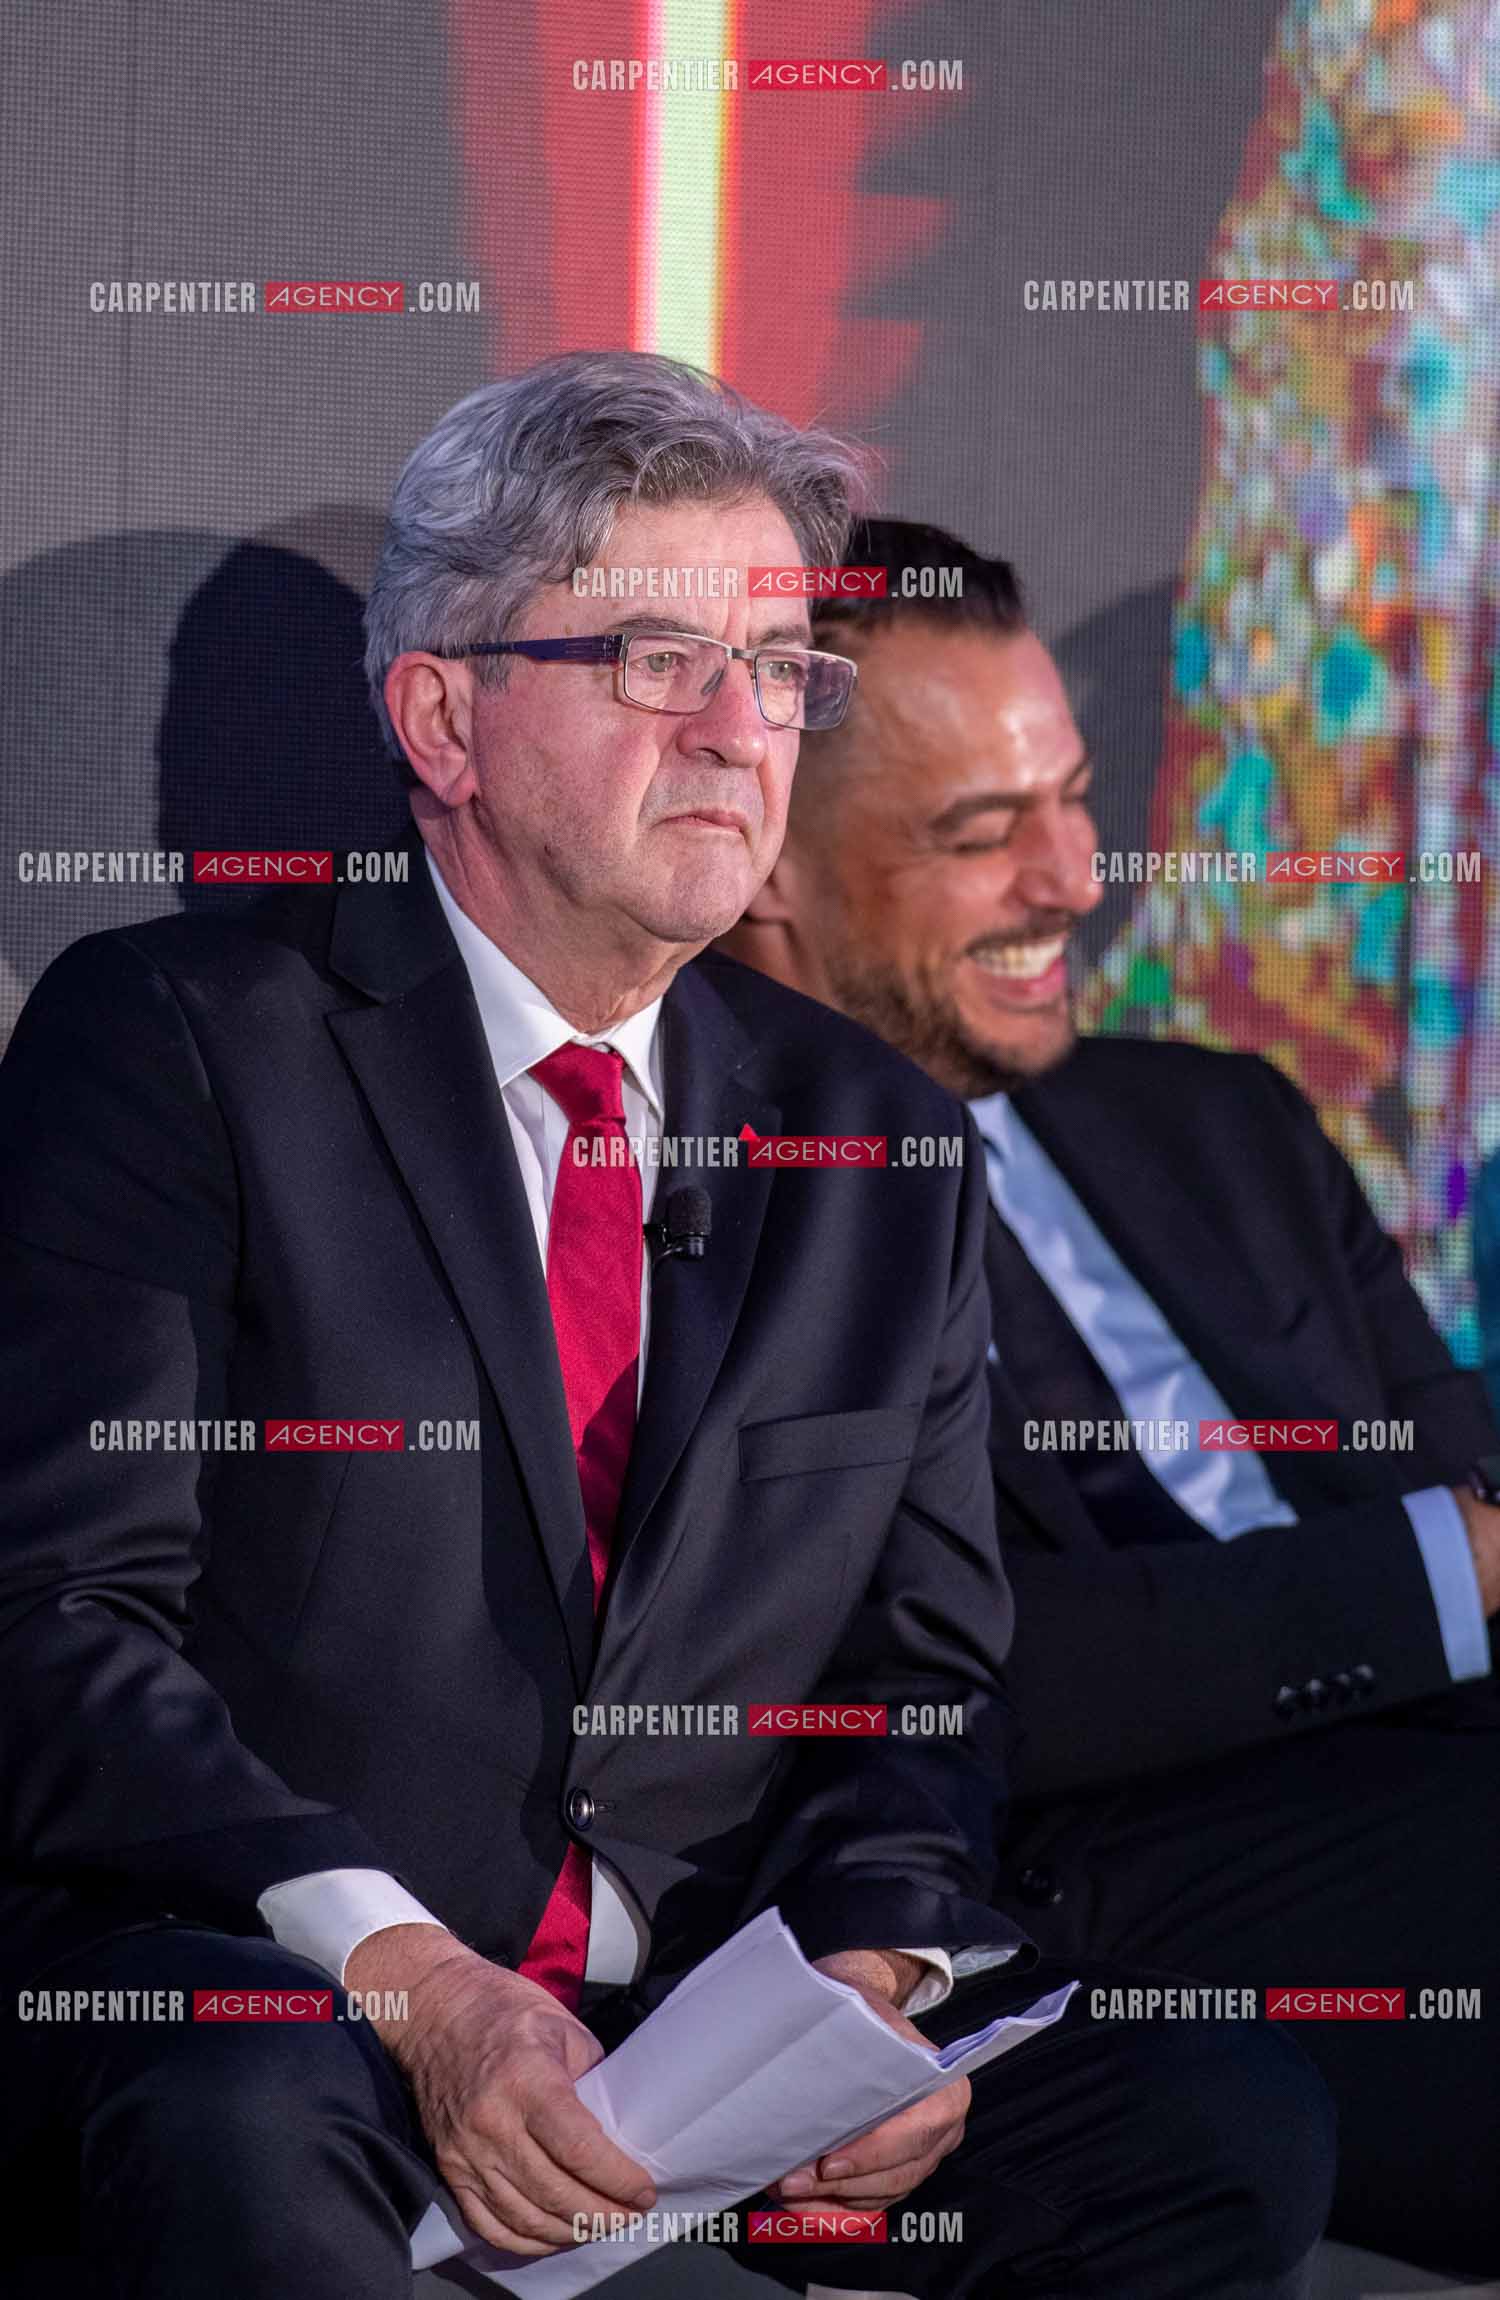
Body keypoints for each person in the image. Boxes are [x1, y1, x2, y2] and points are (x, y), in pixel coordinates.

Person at [0, 363, 1331, 2300]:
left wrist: (878, 1979)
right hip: (317, 1992)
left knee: (1210, 2126)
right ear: (444, 717)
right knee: (233, 2120)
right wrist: (423, 1983)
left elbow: (924, 1673)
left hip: (715, 2026)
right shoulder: (186, 1049)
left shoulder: (872, 1134)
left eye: (783, 668)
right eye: (653, 658)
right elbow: (56, 1617)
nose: (739, 730)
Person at [720, 514, 1500, 2279]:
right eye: (987, 835)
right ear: (769, 856)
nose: (1078, 879)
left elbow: (1468, 1474)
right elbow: (943, 1676)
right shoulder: (724, 1209)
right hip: (1099, 1875)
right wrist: (1443, 1569)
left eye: (1073, 799)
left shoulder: (1218, 1123)